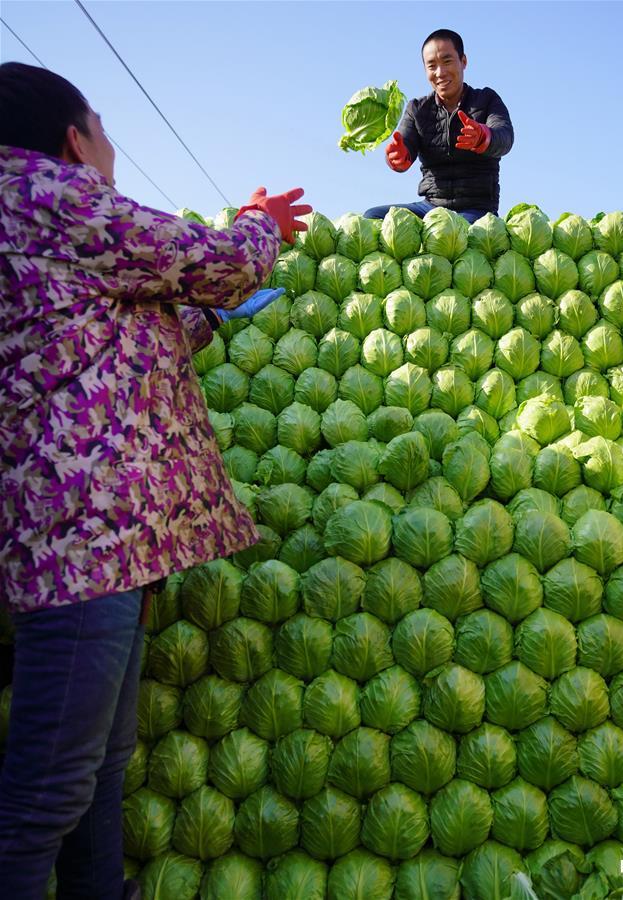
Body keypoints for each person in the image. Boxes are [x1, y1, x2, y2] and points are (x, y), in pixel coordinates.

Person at [0, 61, 311, 900]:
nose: (109, 147)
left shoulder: (30, 222)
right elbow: (215, 260)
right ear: (74, 138)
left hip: (91, 539)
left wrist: (200, 323)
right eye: (103, 128)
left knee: (100, 764)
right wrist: (258, 223)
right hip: (86, 536)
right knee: (46, 793)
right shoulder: (50, 196)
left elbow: (92, 351)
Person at [364, 28, 514, 225]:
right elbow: (404, 144)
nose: (440, 72)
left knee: (452, 230)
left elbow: (505, 136)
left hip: (476, 209)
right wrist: (398, 157)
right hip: (430, 206)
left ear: (464, 61)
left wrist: (483, 137)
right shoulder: (417, 109)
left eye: (447, 61)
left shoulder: (486, 99)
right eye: (431, 66)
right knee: (371, 216)